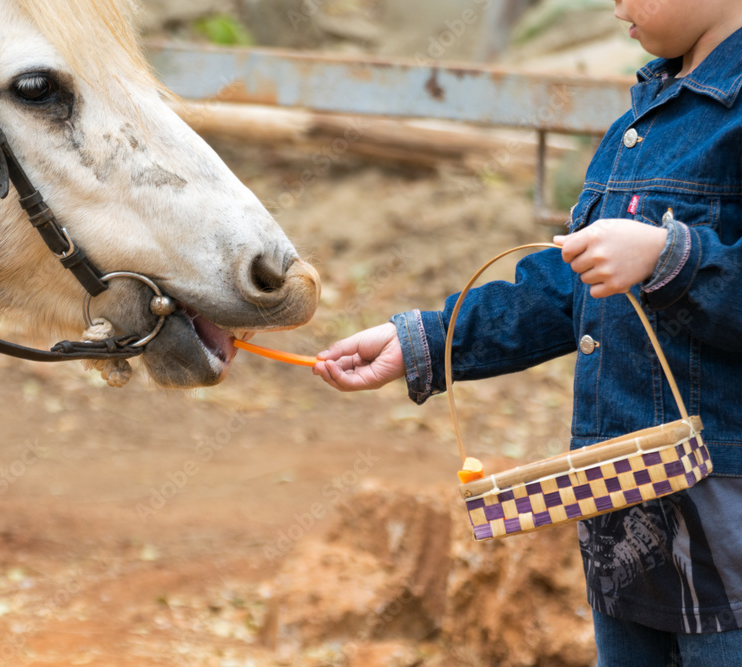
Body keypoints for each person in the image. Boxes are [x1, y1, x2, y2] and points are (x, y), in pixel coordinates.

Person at [313, 1, 742, 664]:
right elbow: (567, 284)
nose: (616, 4)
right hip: (622, 506)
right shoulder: (642, 115)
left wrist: (669, 257)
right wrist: (427, 340)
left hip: (722, 519)